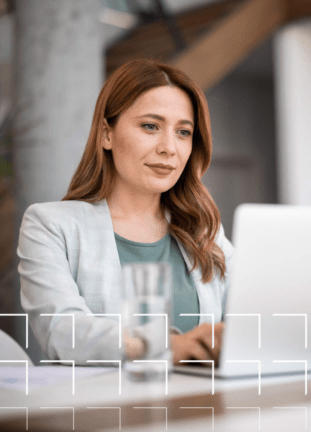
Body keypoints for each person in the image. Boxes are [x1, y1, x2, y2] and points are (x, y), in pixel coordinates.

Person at [18, 59, 233, 365]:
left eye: (183, 132)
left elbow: (252, 316)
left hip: (200, 405)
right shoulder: (51, 225)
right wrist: (168, 346)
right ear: (107, 134)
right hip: (99, 409)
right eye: (150, 126)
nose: (169, 148)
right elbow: (62, 332)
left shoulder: (204, 232)